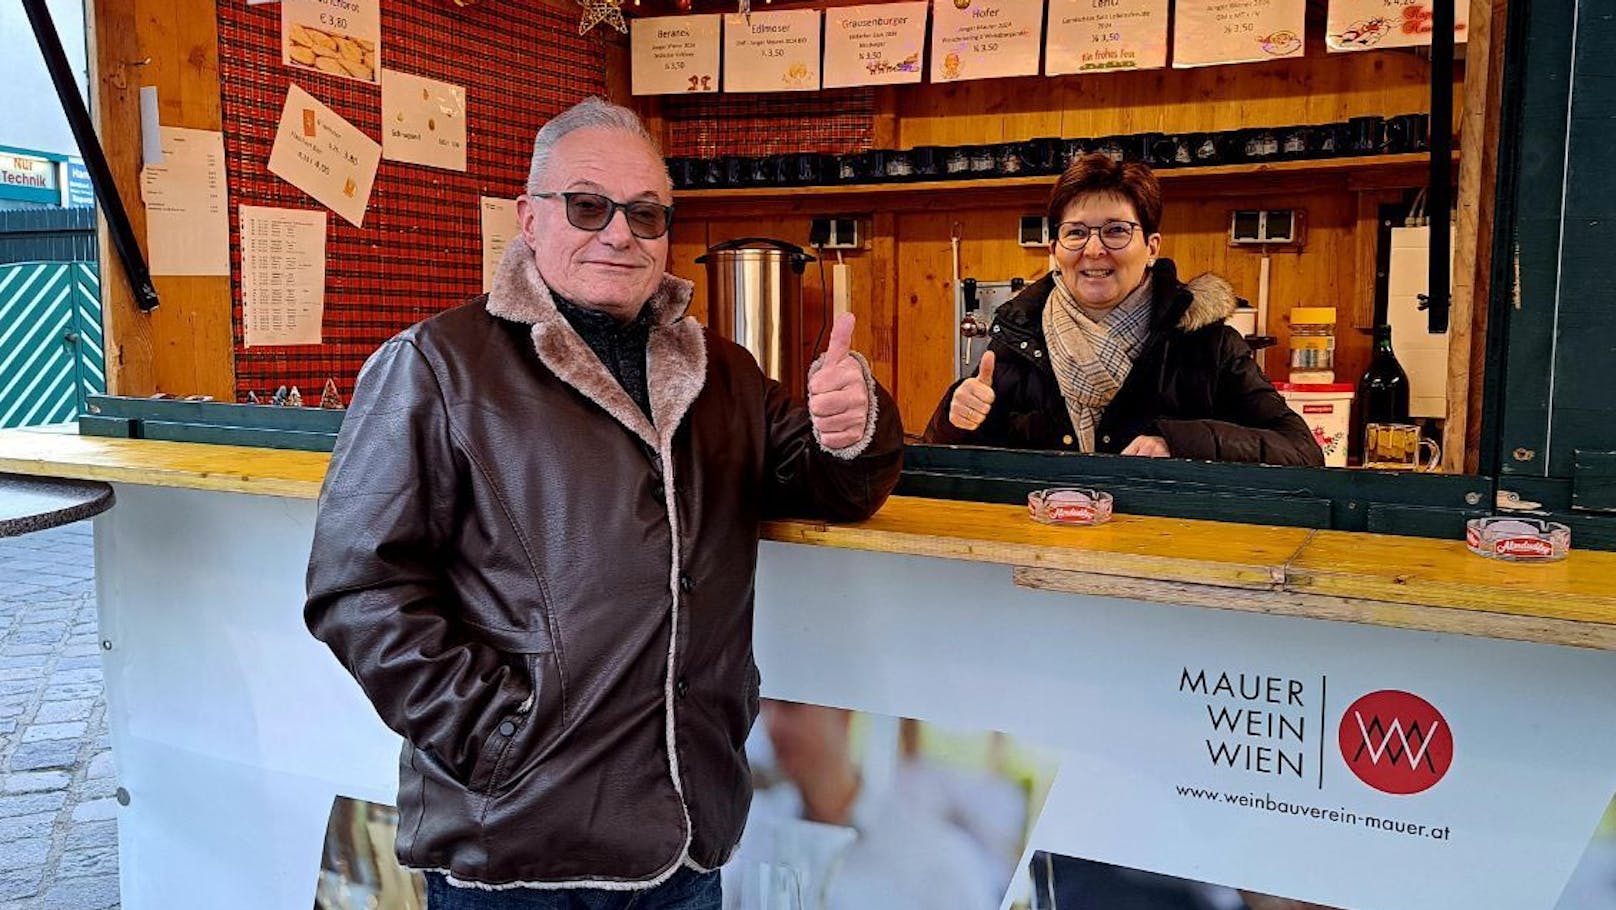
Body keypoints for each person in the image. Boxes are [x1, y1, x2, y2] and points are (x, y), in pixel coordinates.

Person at [304, 97, 903, 909]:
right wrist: (498, 738)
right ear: (529, 216)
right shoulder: (436, 366)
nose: (620, 233)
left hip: (688, 842)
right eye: (589, 206)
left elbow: (831, 486)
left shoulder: (723, 374)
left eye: (647, 213)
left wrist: (853, 424)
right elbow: (359, 588)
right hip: (518, 846)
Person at [923, 154, 1322, 466]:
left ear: (1151, 247)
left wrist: (1179, 443)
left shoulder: (1208, 345)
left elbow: (1302, 452)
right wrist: (954, 417)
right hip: (1048, 547)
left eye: (1116, 231)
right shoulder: (1017, 339)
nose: (1094, 250)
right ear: (1055, 250)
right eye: (1076, 233)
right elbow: (943, 455)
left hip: (1164, 551)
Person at [728, 700, 1003, 910]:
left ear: (846, 714)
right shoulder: (751, 830)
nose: (772, 724)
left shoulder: (939, 860)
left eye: (792, 707)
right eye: (764, 704)